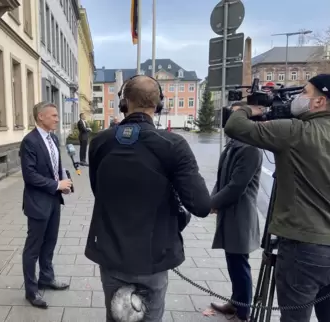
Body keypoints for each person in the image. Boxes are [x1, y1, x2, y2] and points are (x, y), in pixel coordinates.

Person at [85, 75, 211, 322]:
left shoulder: (100, 142)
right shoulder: (173, 145)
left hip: (111, 251)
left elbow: (98, 190)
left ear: (124, 103)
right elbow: (201, 205)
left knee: (116, 317)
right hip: (154, 255)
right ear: (159, 104)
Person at [224, 74, 330, 322]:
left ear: (319, 102)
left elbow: (235, 126)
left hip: (303, 246)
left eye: (305, 92)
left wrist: (247, 108)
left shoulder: (296, 131)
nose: (299, 98)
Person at [209, 102, 263, 322]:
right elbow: (221, 179)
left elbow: (236, 186)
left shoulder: (249, 148)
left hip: (240, 216)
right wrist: (212, 199)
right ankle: (235, 302)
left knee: (240, 264)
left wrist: (213, 203)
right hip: (229, 212)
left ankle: (243, 313)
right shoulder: (234, 144)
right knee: (233, 261)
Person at [20, 101, 72, 309]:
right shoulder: (29, 142)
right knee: (33, 248)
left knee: (50, 242)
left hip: (53, 199)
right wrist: (56, 184)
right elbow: (29, 175)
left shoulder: (53, 138)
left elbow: (57, 166)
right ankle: (31, 291)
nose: (57, 119)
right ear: (41, 117)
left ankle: (46, 278)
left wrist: (65, 182)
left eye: (57, 115)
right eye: (54, 115)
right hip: (37, 202)